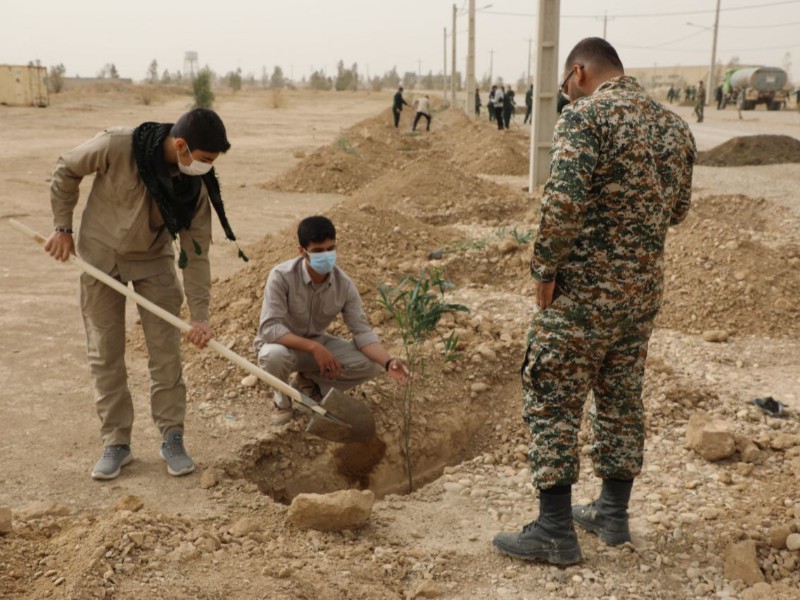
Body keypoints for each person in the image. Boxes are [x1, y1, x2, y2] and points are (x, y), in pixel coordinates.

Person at [492, 37, 695, 566]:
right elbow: (677, 211)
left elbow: (562, 201)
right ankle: (612, 515)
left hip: (582, 292)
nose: (567, 96)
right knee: (622, 397)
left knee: (552, 392)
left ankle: (555, 530)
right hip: (640, 294)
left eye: (565, 87)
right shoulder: (674, 126)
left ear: (578, 72)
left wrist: (545, 268)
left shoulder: (587, 119)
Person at [45, 108, 245, 480]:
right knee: (105, 352)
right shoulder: (119, 145)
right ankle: (116, 442)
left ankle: (172, 437)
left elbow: (197, 250)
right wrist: (62, 227)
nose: (206, 168)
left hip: (153, 261)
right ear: (181, 145)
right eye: (203, 160)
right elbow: (66, 169)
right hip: (100, 257)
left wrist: (200, 314)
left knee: (166, 352)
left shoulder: (196, 185)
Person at [254, 216, 409, 426]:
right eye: (318, 251)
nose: (326, 256)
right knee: (272, 355)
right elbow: (269, 329)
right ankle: (282, 400)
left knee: (372, 364)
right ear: (302, 251)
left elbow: (362, 333)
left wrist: (389, 362)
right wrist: (315, 348)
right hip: (284, 347)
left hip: (317, 348)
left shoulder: (343, 285)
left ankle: (309, 383)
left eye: (331, 248)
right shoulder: (281, 276)